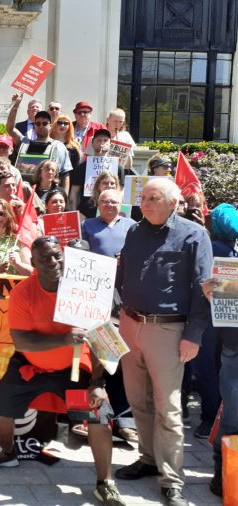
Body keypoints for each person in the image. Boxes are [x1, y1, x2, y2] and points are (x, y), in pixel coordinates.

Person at [0, 236, 125, 506]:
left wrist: (98, 382)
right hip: (30, 366)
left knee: (99, 417)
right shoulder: (23, 292)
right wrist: (64, 340)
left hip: (75, 369)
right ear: (33, 263)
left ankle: (105, 483)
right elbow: (21, 341)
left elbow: (104, 339)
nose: (53, 262)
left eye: (57, 255)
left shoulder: (87, 289)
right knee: (0, 409)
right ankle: (7, 452)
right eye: (44, 258)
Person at [115, 179, 213, 506]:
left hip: (169, 333)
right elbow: (122, 274)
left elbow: (204, 290)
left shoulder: (193, 234)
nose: (145, 203)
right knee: (138, 401)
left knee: (168, 409)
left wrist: (193, 335)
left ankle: (172, 480)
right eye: (142, 197)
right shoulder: (133, 231)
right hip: (130, 326)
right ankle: (148, 458)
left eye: (152, 198)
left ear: (172, 202)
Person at [80, 189, 138, 443]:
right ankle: (88, 417)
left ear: (121, 203)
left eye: (114, 201)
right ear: (97, 204)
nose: (110, 205)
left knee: (119, 356)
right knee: (95, 358)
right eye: (105, 201)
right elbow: (79, 254)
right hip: (94, 297)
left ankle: (124, 420)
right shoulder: (87, 225)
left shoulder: (133, 226)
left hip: (124, 299)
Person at [200, 203, 238, 497]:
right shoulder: (228, 256)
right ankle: (223, 473)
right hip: (234, 345)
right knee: (233, 414)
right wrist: (212, 292)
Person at [8, 107, 73, 192]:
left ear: (50, 125)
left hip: (49, 194)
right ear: (34, 126)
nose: (41, 126)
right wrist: (15, 105)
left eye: (44, 123)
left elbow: (65, 174)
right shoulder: (25, 143)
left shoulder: (59, 146)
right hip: (26, 191)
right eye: (38, 123)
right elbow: (10, 129)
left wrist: (64, 197)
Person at [68, 129, 124, 217]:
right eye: (99, 140)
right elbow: (74, 193)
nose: (102, 143)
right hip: (86, 214)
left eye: (105, 140)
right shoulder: (82, 167)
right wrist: (75, 215)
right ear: (93, 144)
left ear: (110, 144)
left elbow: (121, 191)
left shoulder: (118, 167)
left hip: (111, 213)